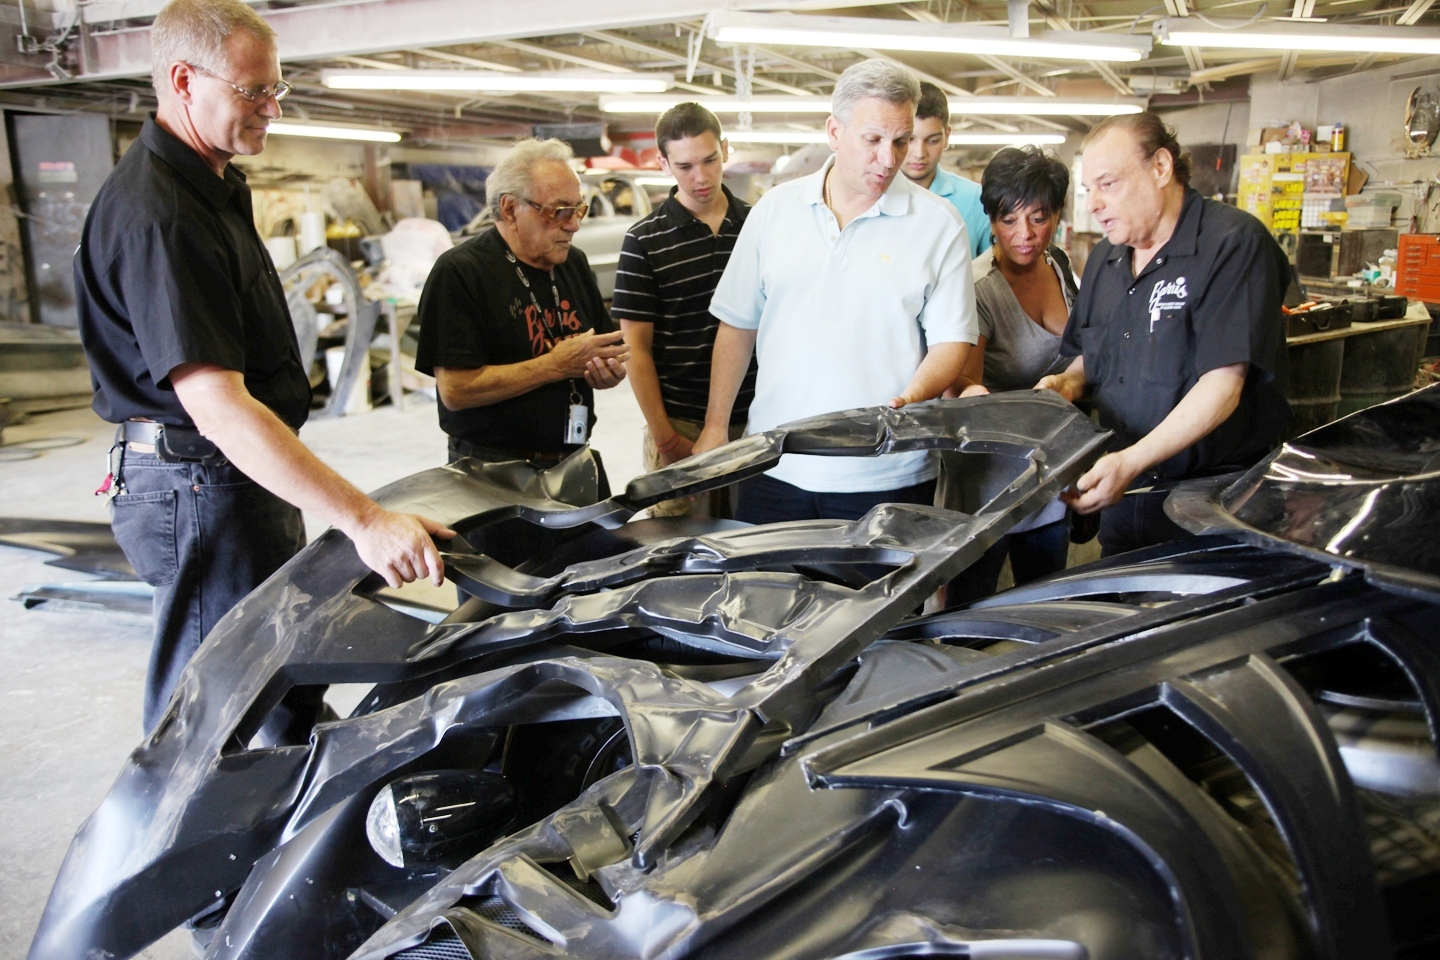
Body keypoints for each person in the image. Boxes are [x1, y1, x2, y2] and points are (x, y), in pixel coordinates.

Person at [74, 0, 455, 734]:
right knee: (212, 721)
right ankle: (177, 852)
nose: (272, 109)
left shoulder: (211, 185)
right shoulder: (163, 215)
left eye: (277, 89)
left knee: (280, 686)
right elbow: (217, 406)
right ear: (184, 80)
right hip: (198, 481)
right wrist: (364, 521)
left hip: (228, 475)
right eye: (254, 91)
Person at [693, 58, 977, 524]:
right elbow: (738, 325)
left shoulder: (938, 225)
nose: (889, 158)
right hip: (774, 466)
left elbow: (953, 340)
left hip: (887, 475)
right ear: (834, 131)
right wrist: (715, 427)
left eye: (901, 140)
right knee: (766, 595)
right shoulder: (774, 211)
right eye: (873, 140)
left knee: (876, 599)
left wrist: (906, 401)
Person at [1040, 113, 1290, 555]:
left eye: (1108, 183)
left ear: (1160, 167)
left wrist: (1132, 459)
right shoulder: (1106, 258)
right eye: (1088, 190)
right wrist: (1067, 383)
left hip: (1213, 500)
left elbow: (1223, 385)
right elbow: (1090, 354)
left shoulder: (1232, 243)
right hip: (1126, 490)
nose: (1094, 203)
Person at [414, 139, 629, 472]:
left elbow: (600, 349)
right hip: (492, 470)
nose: (573, 224)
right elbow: (456, 391)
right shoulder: (460, 272)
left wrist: (604, 372)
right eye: (559, 211)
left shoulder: (573, 262)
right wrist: (554, 366)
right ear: (511, 209)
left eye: (578, 210)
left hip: (573, 459)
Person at [944, 146, 1079, 606]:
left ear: (1057, 215)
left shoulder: (1059, 266)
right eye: (1009, 220)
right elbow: (962, 381)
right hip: (992, 485)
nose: (1025, 235)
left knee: (1045, 607)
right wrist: (975, 393)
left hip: (1052, 473)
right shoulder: (979, 286)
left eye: (1039, 218)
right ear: (991, 219)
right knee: (973, 613)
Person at [612, 103, 754, 517]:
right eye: (686, 165)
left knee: (758, 550)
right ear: (663, 163)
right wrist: (664, 437)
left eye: (710, 160)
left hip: (756, 419)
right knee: (681, 556)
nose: (701, 176)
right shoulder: (644, 241)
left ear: (725, 149)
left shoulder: (757, 226)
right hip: (681, 424)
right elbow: (635, 348)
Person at [903, 81, 992, 259]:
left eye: (933, 140)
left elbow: (993, 274)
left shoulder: (976, 200)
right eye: (909, 139)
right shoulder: (873, 196)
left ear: (947, 136)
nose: (919, 153)